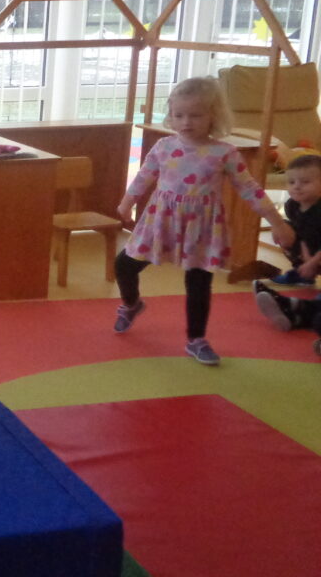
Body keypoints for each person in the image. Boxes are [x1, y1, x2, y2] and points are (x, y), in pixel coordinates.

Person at [114, 76, 295, 365]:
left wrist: (277, 222)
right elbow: (143, 178)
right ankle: (131, 304)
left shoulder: (224, 152)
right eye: (179, 115)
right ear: (171, 115)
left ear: (214, 116)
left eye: (196, 115)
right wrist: (126, 204)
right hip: (161, 221)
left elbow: (249, 188)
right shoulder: (163, 147)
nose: (186, 122)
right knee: (124, 264)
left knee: (198, 281)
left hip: (202, 227)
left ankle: (196, 339)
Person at [253, 153, 321, 336]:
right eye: (291, 182)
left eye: (305, 182)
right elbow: (303, 234)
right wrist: (304, 258)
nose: (297, 186)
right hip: (312, 254)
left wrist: (312, 262)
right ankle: (301, 280)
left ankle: (299, 308)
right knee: (285, 229)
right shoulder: (292, 206)